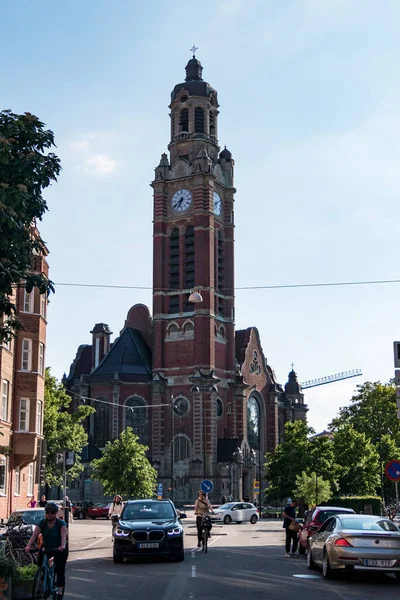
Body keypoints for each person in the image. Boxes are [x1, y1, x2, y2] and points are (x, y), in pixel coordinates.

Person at [25, 502, 68, 599]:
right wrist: (28, 546)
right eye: (48, 512)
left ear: (56, 513)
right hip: (47, 547)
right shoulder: (42, 523)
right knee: (41, 563)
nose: (49, 514)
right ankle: (42, 581)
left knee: (60, 571)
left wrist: (62, 546)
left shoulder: (61, 524)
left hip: (59, 548)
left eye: (52, 512)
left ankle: (60, 593)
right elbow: (34, 535)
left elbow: (63, 536)